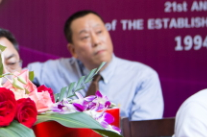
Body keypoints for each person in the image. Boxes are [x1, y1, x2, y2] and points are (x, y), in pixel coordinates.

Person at [28, 10, 163, 120]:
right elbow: (21, 76)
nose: (96, 41)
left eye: (99, 32)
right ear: (73, 50)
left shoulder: (142, 77)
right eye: (85, 37)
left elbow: (143, 135)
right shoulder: (59, 70)